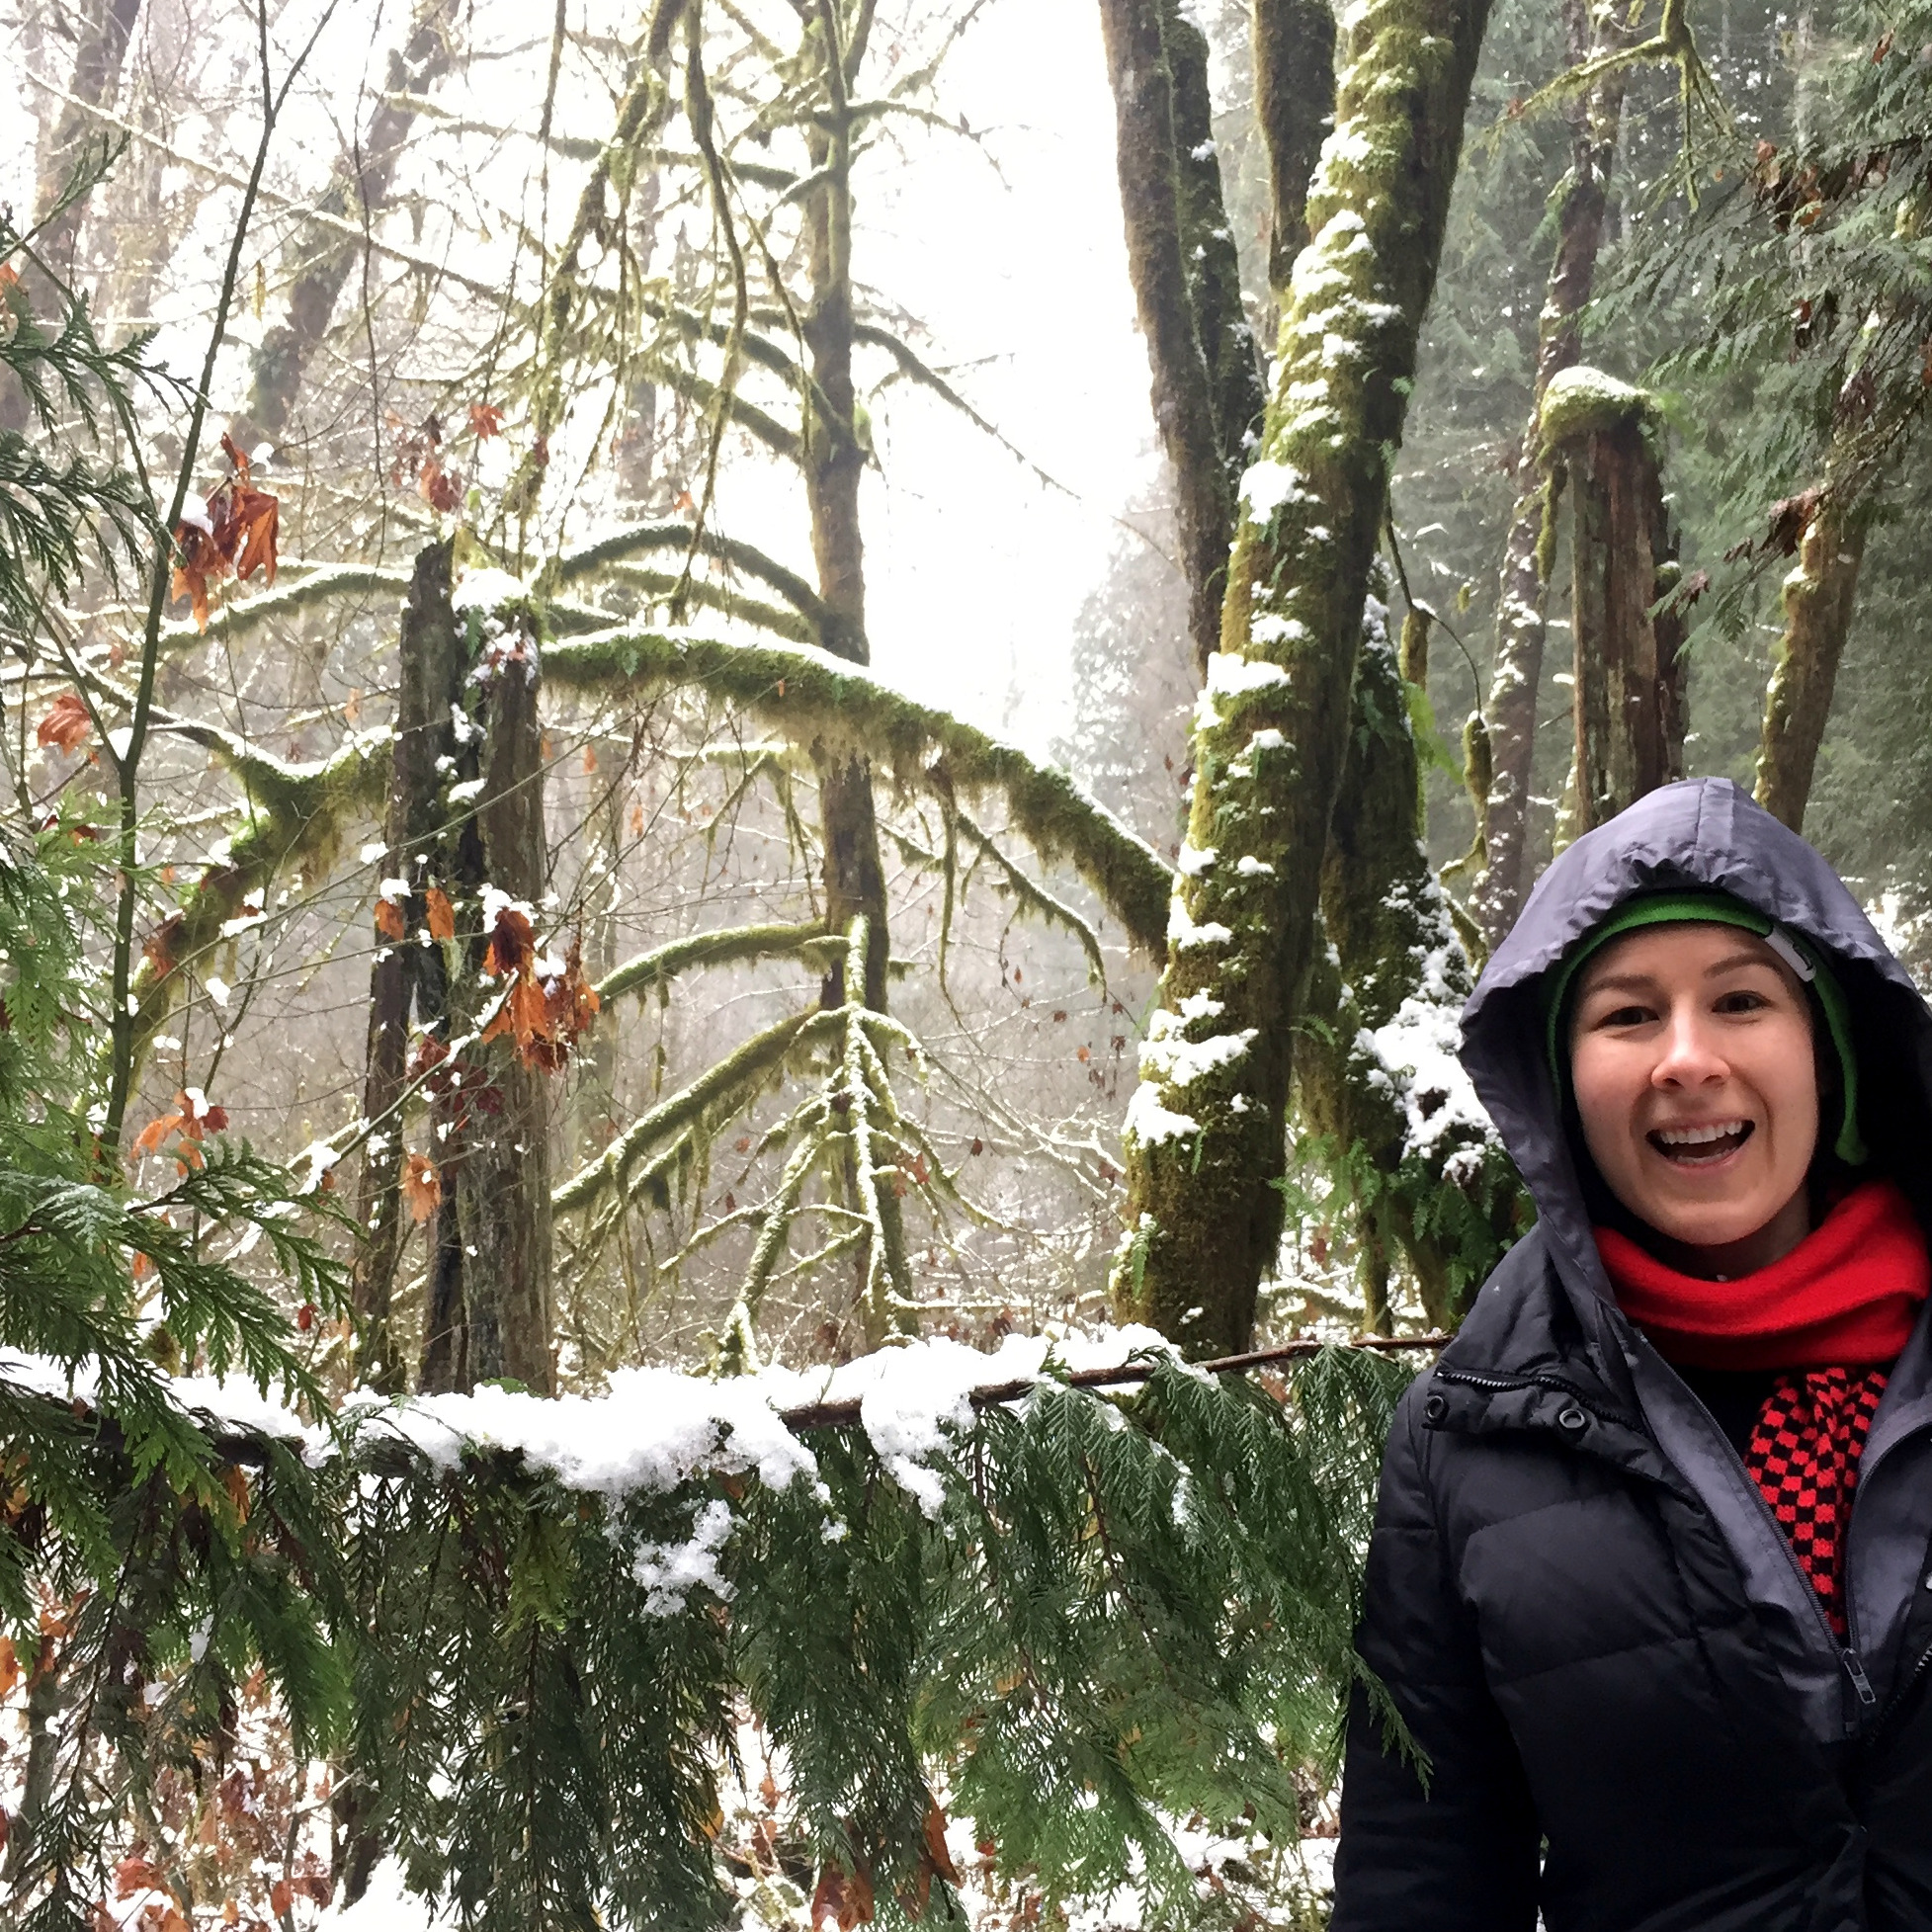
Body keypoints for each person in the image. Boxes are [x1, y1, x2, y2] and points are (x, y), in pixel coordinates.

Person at [1329, 777, 1932, 1932]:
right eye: (1625, 1014)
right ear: (1561, 1084)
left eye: (1741, 999)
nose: (1684, 1057)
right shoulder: (1471, 1426)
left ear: (1830, 1052)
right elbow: (1423, 1863)